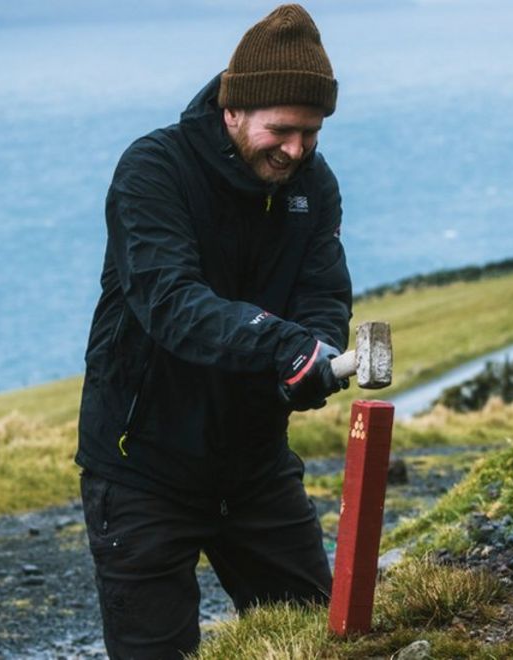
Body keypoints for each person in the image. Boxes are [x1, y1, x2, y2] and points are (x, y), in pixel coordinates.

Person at [76, 4, 352, 657]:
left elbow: (323, 292)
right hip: (142, 464)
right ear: (233, 112)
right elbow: (171, 302)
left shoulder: (312, 184)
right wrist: (284, 346)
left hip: (253, 464)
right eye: (282, 130)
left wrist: (311, 357)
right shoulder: (154, 171)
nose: (296, 149)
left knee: (319, 638)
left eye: (311, 133)